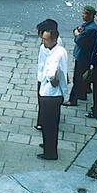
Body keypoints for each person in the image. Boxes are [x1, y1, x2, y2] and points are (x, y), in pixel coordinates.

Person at [38, 27, 68, 160]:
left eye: (46, 39)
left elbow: (52, 73)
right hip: (54, 94)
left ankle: (49, 152)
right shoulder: (60, 50)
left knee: (48, 124)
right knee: (51, 124)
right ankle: (49, 146)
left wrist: (52, 79)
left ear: (54, 39)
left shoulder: (56, 54)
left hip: (50, 94)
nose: (43, 41)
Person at [63, 6, 97, 107]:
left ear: (91, 15)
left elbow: (78, 39)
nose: (83, 15)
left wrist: (77, 33)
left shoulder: (90, 28)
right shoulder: (87, 25)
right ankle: (83, 93)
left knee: (77, 78)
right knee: (83, 76)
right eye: (83, 13)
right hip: (83, 55)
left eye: (86, 13)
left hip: (83, 56)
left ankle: (73, 100)